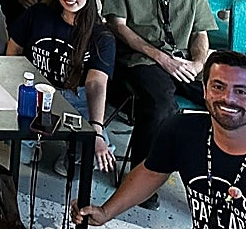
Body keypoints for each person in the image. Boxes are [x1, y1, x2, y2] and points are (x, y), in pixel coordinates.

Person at [99, 0, 217, 192]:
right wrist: (163, 59)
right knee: (161, 104)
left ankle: (221, 176)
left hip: (185, 60)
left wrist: (199, 64)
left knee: (233, 96)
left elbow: (201, 31)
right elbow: (118, 26)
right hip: (140, 59)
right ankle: (142, 185)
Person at [71, 50, 246, 227]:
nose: (228, 98)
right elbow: (151, 173)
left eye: (241, 91)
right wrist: (105, 212)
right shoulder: (182, 130)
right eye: (218, 86)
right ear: (204, 90)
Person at [8, 0, 117, 175]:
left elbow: (96, 83)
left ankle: (71, 151)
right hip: (37, 91)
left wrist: (96, 129)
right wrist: (13, 88)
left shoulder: (101, 36)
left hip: (76, 97)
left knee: (91, 157)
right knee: (20, 156)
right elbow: (13, 49)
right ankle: (33, 143)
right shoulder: (39, 14)